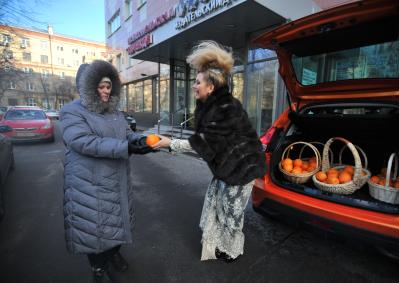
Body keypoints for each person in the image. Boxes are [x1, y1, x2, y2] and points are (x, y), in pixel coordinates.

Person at [153, 41, 266, 262]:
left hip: (242, 170)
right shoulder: (213, 105)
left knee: (231, 214)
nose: (194, 86)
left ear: (211, 87)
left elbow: (205, 142)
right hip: (228, 167)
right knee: (220, 207)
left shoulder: (225, 107)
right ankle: (221, 244)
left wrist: (170, 143)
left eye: (197, 82)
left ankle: (231, 251)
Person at [60, 60, 153, 283]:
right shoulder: (71, 111)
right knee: (94, 229)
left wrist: (141, 141)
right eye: (100, 87)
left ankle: (113, 253)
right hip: (88, 182)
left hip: (116, 179)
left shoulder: (113, 111)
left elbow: (125, 134)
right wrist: (126, 147)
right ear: (87, 87)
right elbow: (83, 141)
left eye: (108, 86)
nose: (105, 91)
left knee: (116, 222)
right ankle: (98, 268)